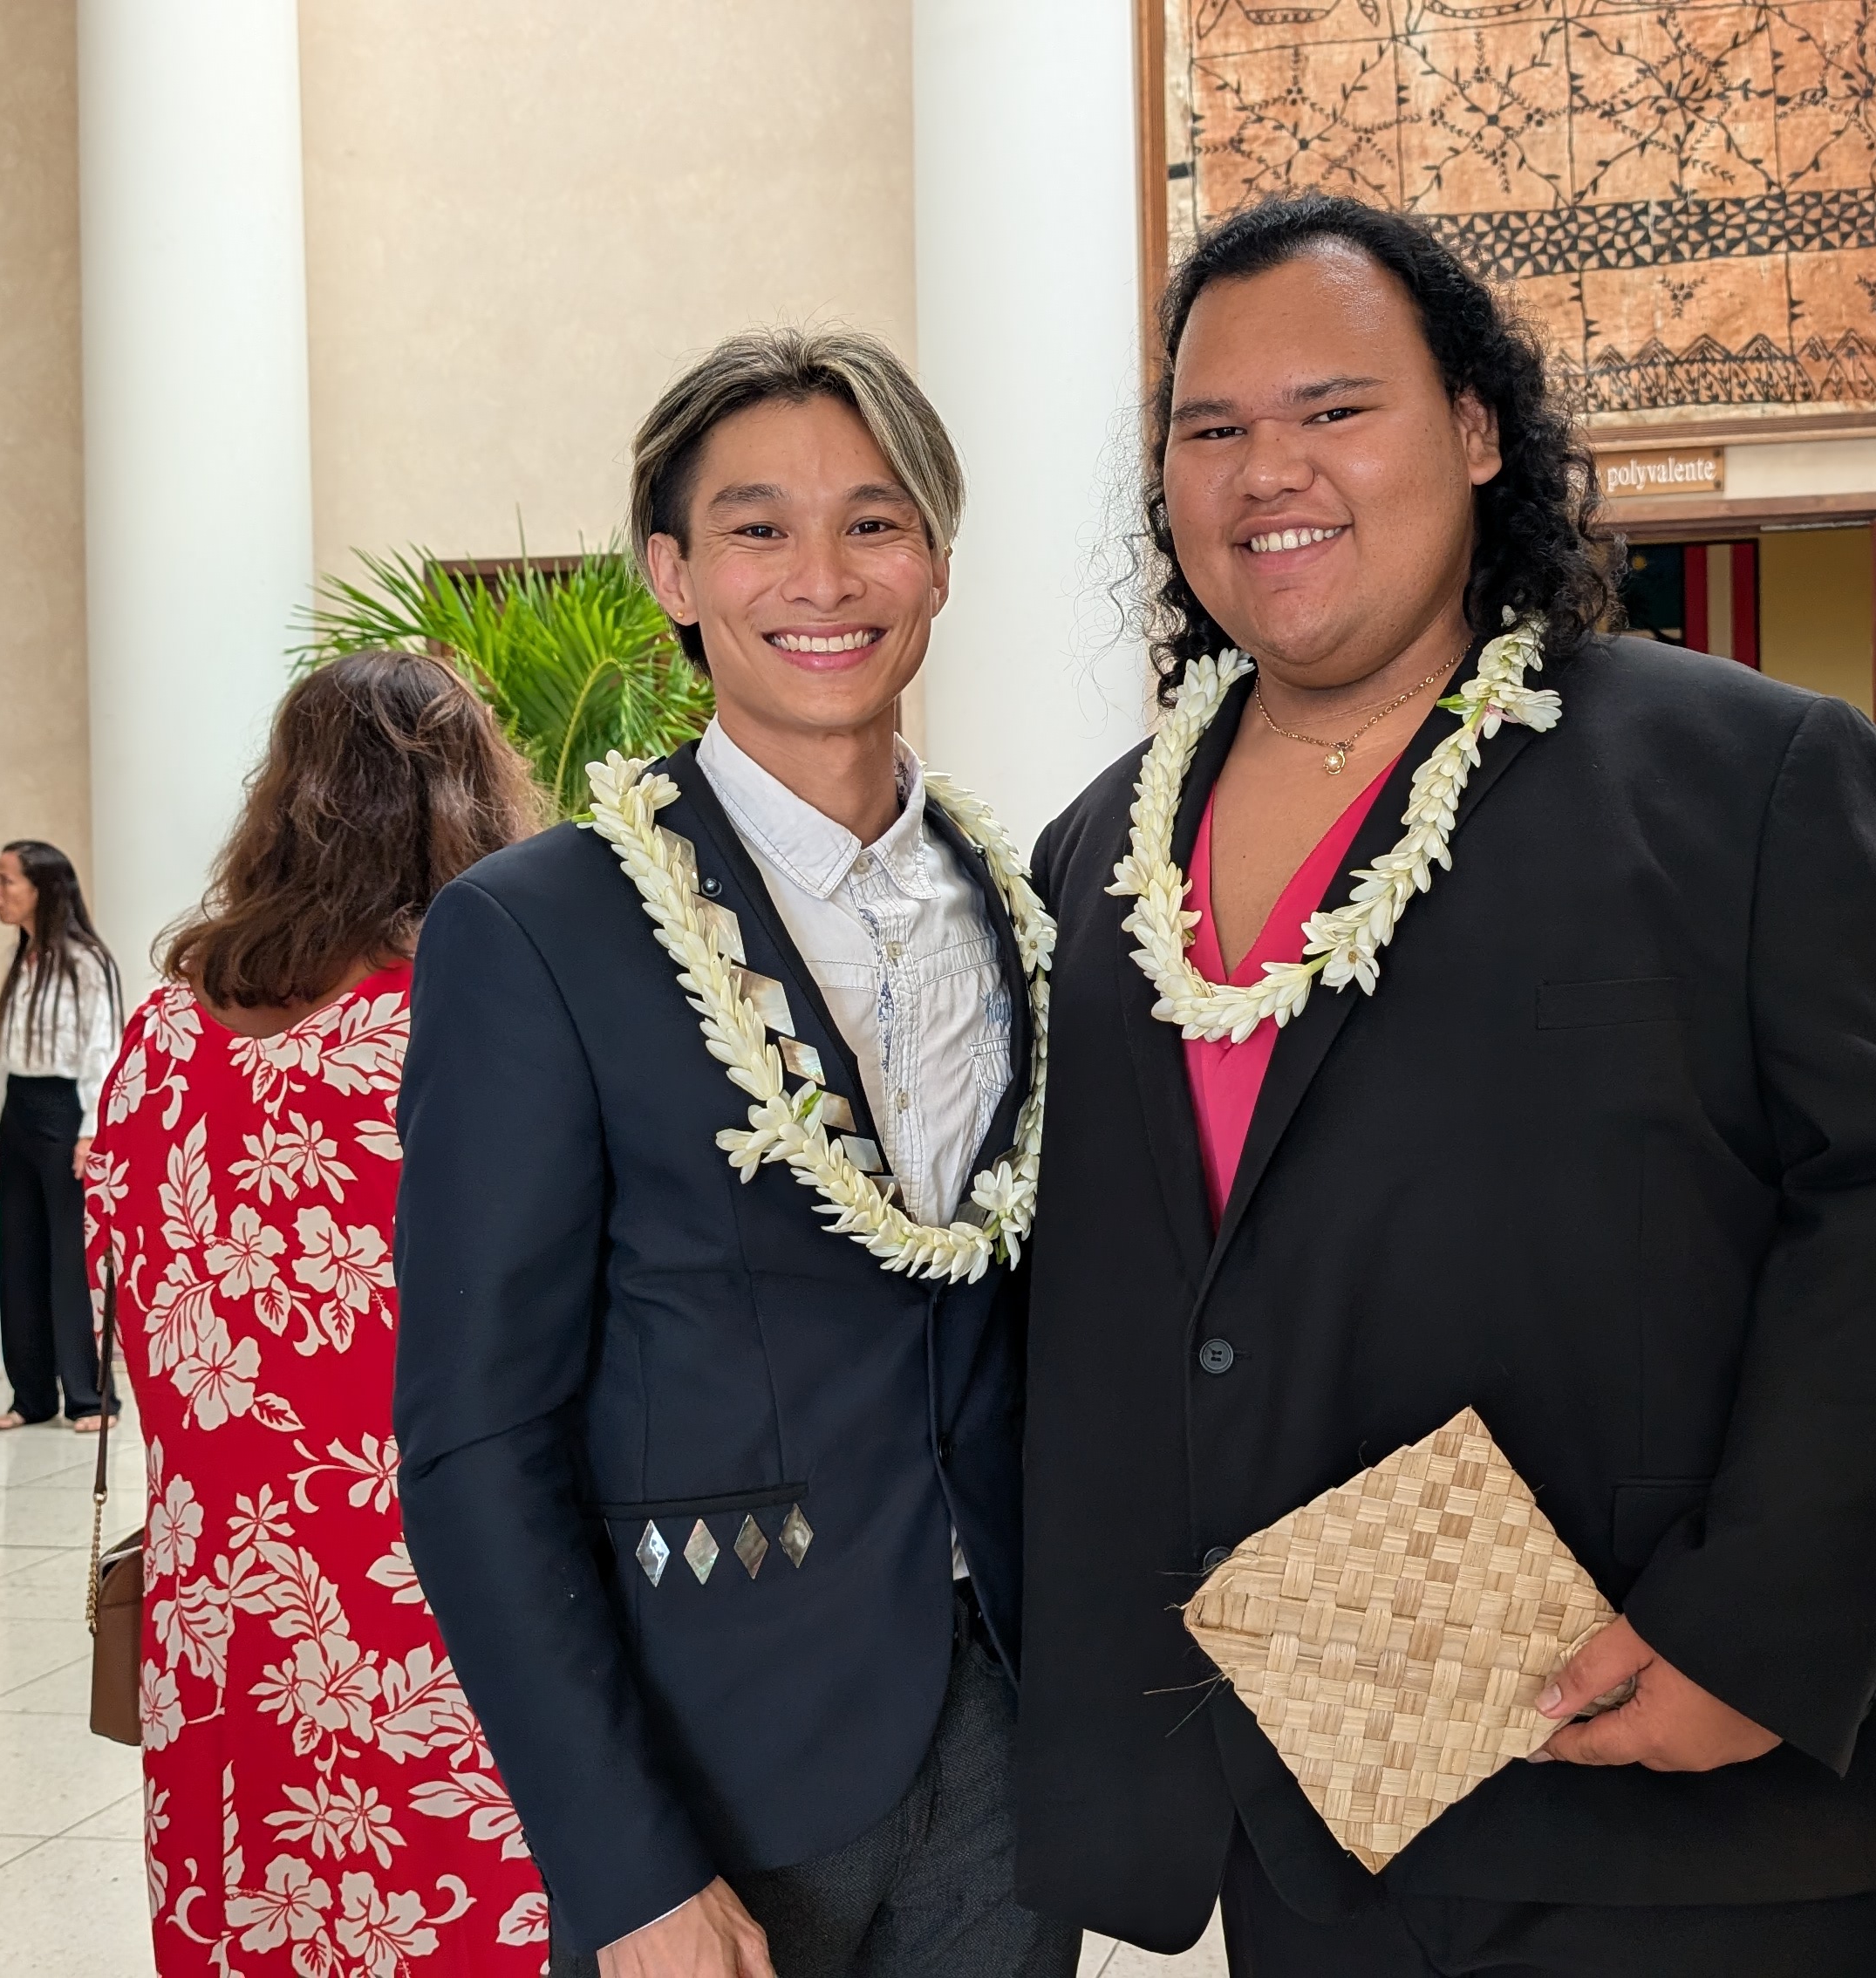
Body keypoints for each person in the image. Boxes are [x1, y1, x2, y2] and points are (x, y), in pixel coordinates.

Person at [1015, 194, 1876, 1977]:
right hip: (1320, 1812)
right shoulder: (1102, 845)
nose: (1271, 471)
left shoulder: (1740, 771)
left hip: (1674, 1787)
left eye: (1336, 409)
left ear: (1479, 433)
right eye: (1212, 427)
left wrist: (1750, 1638)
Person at [396, 331, 1074, 1978]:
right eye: (759, 528)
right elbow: (477, 1442)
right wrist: (621, 1868)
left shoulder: (1025, 899)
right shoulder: (535, 929)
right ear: (673, 573)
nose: (824, 577)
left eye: (876, 520)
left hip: (1015, 1744)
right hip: (714, 1756)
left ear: (935, 560)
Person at [85, 651, 552, 1973]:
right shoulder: (474, 1018)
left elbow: (120, 1283)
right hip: (430, 1593)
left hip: (219, 1594)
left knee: (253, 1906)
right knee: (449, 1904)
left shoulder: (161, 1038)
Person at [0, 839, 119, 1432]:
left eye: (7, 881)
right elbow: (6, 1056)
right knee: (20, 1254)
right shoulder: (24, 960)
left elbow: (101, 1050)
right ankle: (30, 1394)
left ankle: (89, 1397)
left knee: (69, 1258)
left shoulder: (87, 960)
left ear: (43, 889)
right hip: (18, 1110)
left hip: (65, 1112)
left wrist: (91, 1131)